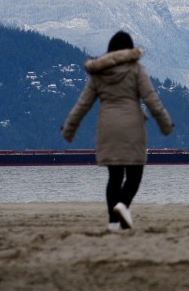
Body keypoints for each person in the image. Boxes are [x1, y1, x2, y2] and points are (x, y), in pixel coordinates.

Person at [61, 30, 174, 232]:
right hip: (132, 125)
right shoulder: (136, 70)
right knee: (135, 172)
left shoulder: (98, 73)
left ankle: (113, 223)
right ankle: (123, 205)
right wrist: (165, 124)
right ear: (130, 50)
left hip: (107, 127)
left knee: (114, 176)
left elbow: (83, 104)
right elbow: (151, 99)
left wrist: (70, 128)